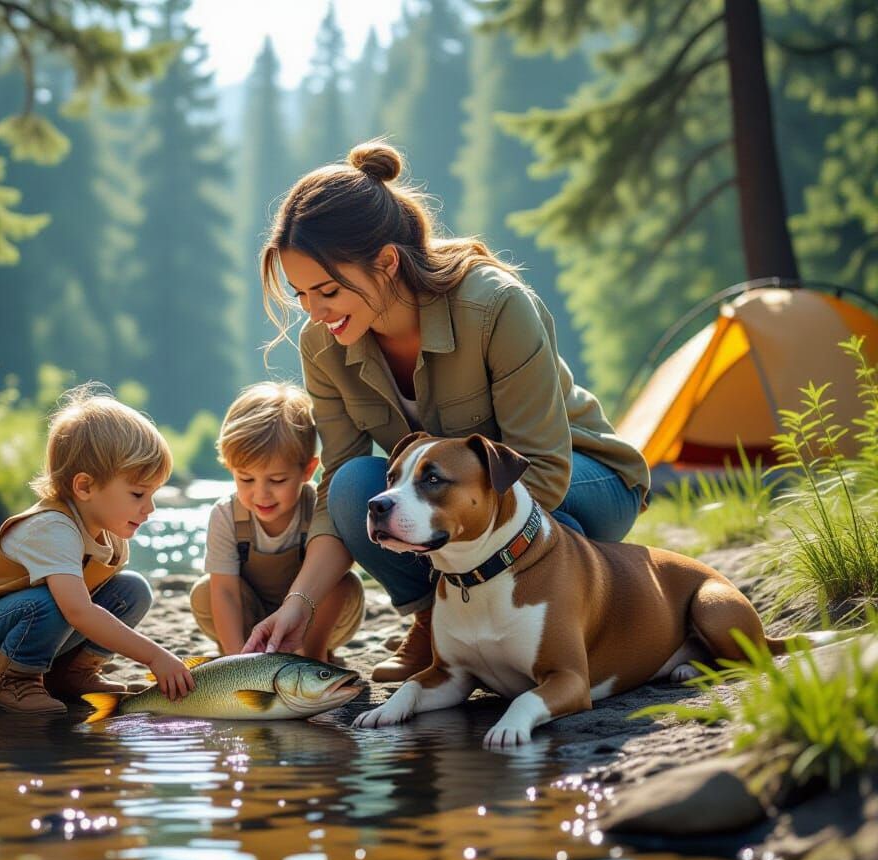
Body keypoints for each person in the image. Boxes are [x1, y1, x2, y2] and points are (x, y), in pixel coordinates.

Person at [242, 140, 651, 683]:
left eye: (328, 290)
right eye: (301, 296)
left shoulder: (497, 306)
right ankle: (436, 623)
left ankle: (557, 644)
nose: (315, 313)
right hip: (454, 502)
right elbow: (338, 485)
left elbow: (544, 471)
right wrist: (300, 604)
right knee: (352, 489)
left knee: (556, 531)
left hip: (582, 477)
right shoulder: (323, 345)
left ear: (386, 262)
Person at [0, 384, 196, 714]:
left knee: (132, 590)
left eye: (153, 494)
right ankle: (13, 681)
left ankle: (71, 674)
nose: (150, 508)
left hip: (27, 624)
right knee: (57, 601)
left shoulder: (109, 535)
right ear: (85, 487)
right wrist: (156, 656)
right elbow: (77, 612)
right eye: (138, 494)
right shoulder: (53, 528)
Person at [189, 381, 364, 660]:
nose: (261, 493)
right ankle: (237, 653)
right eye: (245, 478)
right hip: (251, 615)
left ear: (308, 470)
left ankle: (313, 656)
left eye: (277, 480)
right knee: (206, 590)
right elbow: (225, 593)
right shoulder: (225, 515)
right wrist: (235, 660)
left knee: (345, 583)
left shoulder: (319, 507)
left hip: (312, 616)